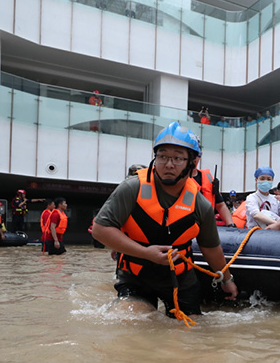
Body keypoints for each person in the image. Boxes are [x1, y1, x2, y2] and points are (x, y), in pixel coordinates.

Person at [91, 121, 238, 317]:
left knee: (190, 333)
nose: (169, 164)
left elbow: (211, 248)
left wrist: (227, 280)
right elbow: (101, 229)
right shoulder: (131, 188)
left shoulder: (200, 205)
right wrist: (145, 253)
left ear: (192, 163)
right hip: (135, 275)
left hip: (180, 279)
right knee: (129, 319)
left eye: (177, 158)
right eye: (162, 157)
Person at [190, 156, 234, 227]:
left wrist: (231, 224)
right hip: (188, 227)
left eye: (196, 154)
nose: (193, 158)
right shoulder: (178, 180)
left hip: (208, 226)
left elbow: (220, 205)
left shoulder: (208, 178)